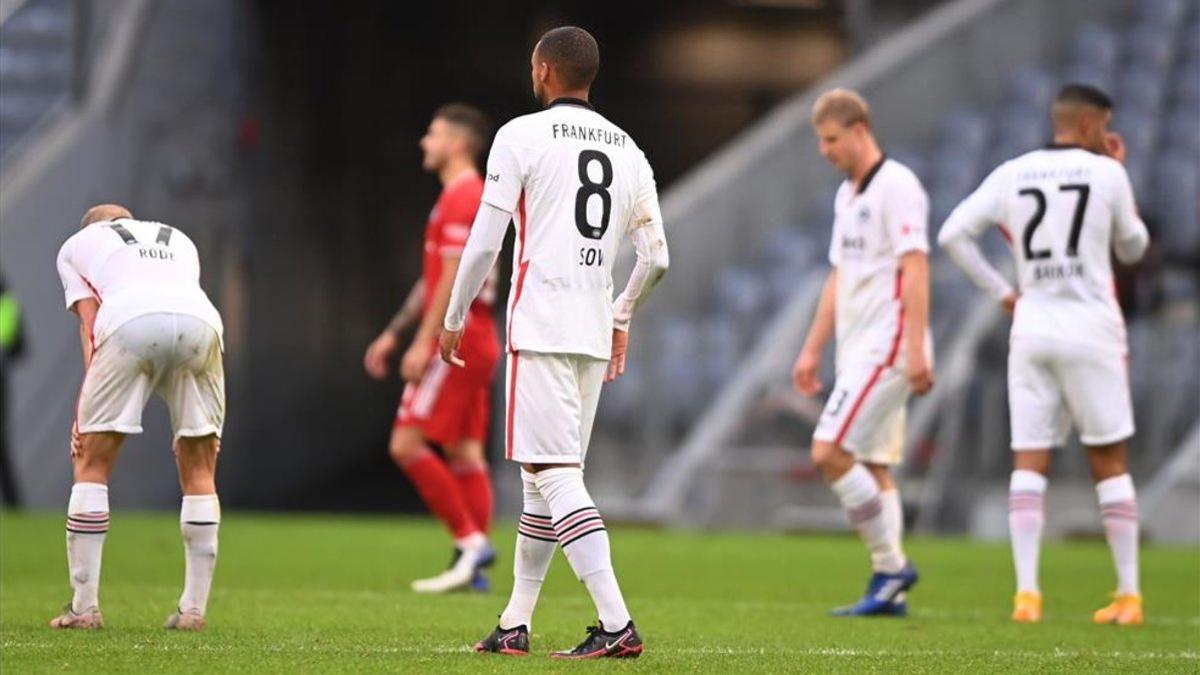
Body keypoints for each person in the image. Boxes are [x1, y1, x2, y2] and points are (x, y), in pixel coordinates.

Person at [439, 26, 668, 659]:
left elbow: (486, 240)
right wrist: (622, 316)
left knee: (552, 472)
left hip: (540, 323)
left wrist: (456, 313)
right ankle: (515, 622)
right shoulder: (628, 148)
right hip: (592, 330)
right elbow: (657, 257)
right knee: (542, 480)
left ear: (543, 70)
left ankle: (617, 621)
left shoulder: (520, 135)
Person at [938, 84, 1149, 626]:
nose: (1107, 137)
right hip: (1090, 330)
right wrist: (1122, 178)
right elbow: (1134, 248)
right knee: (1108, 460)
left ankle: (1027, 596)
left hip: (1032, 329)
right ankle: (1128, 595)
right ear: (1087, 125)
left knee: (1029, 462)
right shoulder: (1106, 173)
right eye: (1104, 127)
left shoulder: (1014, 172)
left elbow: (953, 234)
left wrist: (1003, 293)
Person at [51, 204, 225, 631]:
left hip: (129, 322)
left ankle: (84, 607)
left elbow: (91, 325)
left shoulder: (76, 247)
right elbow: (180, 307)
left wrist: (82, 418)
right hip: (202, 326)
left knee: (91, 463)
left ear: (93, 228)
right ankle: (193, 610)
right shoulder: (177, 236)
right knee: (200, 466)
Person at [792, 88, 933, 617]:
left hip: (890, 343)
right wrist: (812, 349)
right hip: (859, 346)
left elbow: (916, 266)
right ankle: (887, 582)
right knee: (872, 464)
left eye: (830, 140)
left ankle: (892, 565)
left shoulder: (898, 186)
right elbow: (838, 276)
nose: (824, 150)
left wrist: (916, 348)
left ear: (858, 131)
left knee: (828, 452)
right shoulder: (847, 195)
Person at [362, 104, 500, 593]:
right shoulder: (458, 198)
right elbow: (435, 276)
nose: (425, 142)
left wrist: (425, 340)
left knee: (406, 442)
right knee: (464, 452)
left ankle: (470, 543)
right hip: (475, 334)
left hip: (458, 334)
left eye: (433, 133)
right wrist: (395, 331)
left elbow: (454, 274)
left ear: (457, 143)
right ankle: (473, 568)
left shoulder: (465, 197)